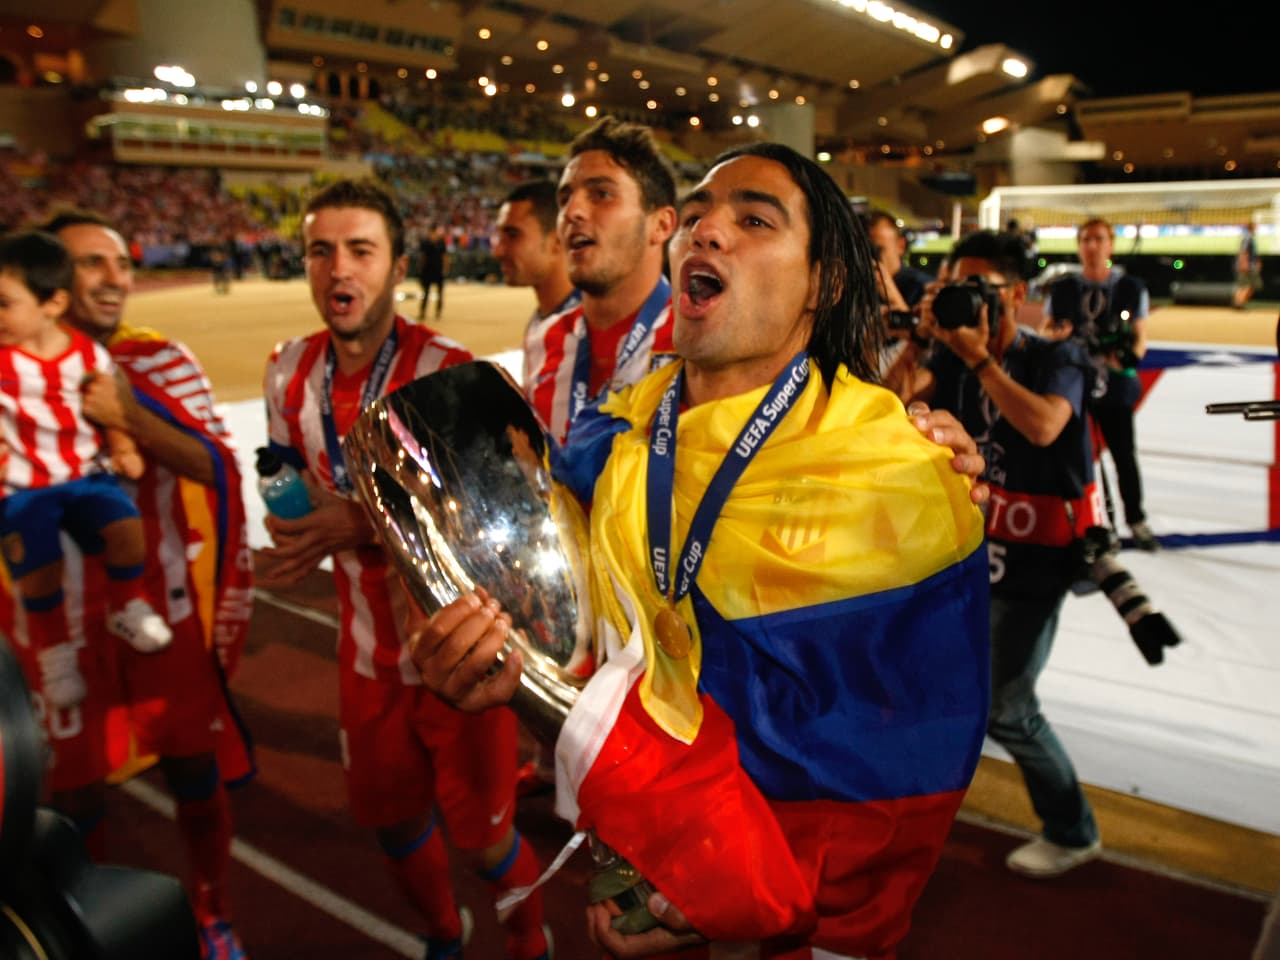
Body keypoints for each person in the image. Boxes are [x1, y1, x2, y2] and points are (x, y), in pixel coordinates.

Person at [410, 143, 992, 958]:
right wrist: (490, 666)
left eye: (753, 218)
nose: (705, 230)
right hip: (633, 851)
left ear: (822, 282)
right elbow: (574, 637)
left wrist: (724, 900)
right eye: (696, 216)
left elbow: (895, 774)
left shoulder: (898, 472)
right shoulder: (611, 437)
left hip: (790, 917)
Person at [259, 178, 551, 960]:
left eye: (361, 251)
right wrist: (290, 529)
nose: (338, 271)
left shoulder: (446, 368)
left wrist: (351, 521)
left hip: (458, 655)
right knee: (391, 821)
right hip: (364, 657)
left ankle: (530, 940)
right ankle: (440, 936)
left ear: (395, 267)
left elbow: (496, 521)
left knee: (486, 844)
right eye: (322, 252)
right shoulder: (287, 372)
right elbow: (290, 485)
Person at [6, 209, 256, 960]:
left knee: (191, 768)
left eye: (122, 262)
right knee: (74, 792)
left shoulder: (161, 360)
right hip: (59, 621)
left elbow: (216, 468)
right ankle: (86, 914)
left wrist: (129, 420)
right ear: (51, 284)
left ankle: (212, 910)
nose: (117, 279)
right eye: (92, 264)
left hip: (155, 607)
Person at [897, 228, 1105, 881]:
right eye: (955, 286)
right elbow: (891, 403)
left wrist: (981, 360)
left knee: (1008, 706)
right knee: (933, 687)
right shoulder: (951, 359)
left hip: (1039, 562)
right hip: (966, 562)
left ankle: (1074, 830)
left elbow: (1044, 424)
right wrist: (923, 339)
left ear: (1017, 292)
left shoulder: (1058, 357)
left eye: (979, 288)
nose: (967, 301)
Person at [0, 229, 173, 710]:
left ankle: (130, 606)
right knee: (39, 572)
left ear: (52, 304)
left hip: (85, 473)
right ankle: (55, 658)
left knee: (126, 528)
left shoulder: (87, 355)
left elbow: (107, 406)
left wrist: (122, 446)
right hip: (23, 485)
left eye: (4, 304)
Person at [524, 116, 678, 446]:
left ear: (661, 225)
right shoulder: (544, 339)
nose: (571, 212)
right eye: (564, 198)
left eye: (602, 194)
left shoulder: (698, 344)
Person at [1044, 218, 1157, 550]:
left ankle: (1136, 519)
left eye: (1099, 239)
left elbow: (1139, 339)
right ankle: (1081, 523)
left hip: (1114, 383)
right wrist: (1056, 338)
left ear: (1111, 244)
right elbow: (1047, 329)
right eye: (1086, 240)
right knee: (1072, 455)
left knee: (1123, 454)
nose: (1092, 246)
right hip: (1072, 382)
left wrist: (1124, 360)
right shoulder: (1063, 288)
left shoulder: (1130, 288)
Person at [492, 180, 578, 327]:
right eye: (500, 236)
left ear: (557, 241)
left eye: (513, 235)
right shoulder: (541, 322)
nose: (497, 251)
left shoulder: (589, 331)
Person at [866, 210, 932, 309]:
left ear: (900, 245)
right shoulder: (856, 287)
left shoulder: (922, 288)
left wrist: (888, 290)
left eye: (877, 251)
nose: (869, 258)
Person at [416, 224, 449, 321]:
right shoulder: (426, 243)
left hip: (437, 270)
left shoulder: (441, 242)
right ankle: (423, 312)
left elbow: (445, 256)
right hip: (428, 270)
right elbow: (423, 257)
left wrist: (445, 268)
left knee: (440, 292)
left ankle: (438, 312)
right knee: (426, 292)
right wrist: (421, 269)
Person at [1235, 222, 1262, 310]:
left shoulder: (1249, 237)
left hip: (1250, 265)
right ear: (1252, 227)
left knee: (1245, 285)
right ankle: (1239, 303)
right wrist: (1244, 264)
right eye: (1256, 226)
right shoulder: (1248, 237)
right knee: (1248, 285)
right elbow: (1243, 252)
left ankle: (1239, 303)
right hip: (1248, 266)